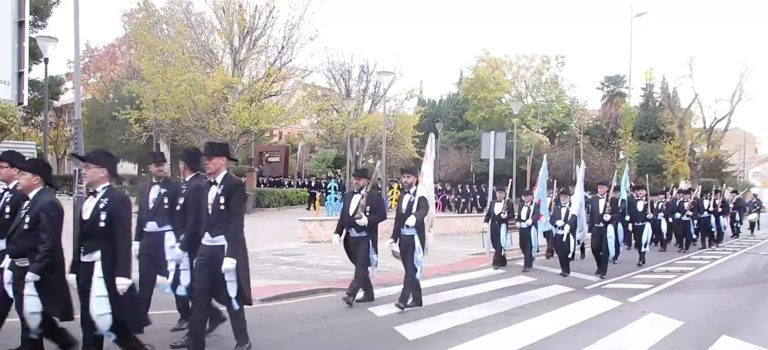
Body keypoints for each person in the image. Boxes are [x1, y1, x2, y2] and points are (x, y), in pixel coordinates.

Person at [70, 149, 149, 349]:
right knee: (89, 320)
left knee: (109, 320)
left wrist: (123, 273)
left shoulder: (117, 199)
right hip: (86, 268)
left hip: (104, 268)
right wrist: (74, 267)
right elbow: (81, 237)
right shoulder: (88, 200)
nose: (84, 172)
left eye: (88, 167)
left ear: (103, 172)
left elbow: (123, 238)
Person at [6, 158, 77, 349]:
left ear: (36, 179)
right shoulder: (30, 201)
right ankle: (59, 342)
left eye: (23, 174)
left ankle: (65, 342)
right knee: (29, 316)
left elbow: (49, 242)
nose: (18, 178)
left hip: (35, 272)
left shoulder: (47, 203)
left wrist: (34, 270)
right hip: (20, 268)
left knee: (33, 316)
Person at [188, 142, 252, 350]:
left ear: (223, 160)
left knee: (232, 296)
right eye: (205, 159)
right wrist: (187, 247)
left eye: (211, 158)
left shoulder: (234, 184)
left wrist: (232, 254)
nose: (206, 162)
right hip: (206, 248)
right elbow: (198, 220)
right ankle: (195, 344)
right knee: (199, 297)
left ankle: (243, 340)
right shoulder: (204, 186)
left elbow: (236, 222)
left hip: (225, 249)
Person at [169, 148, 227, 349]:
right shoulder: (188, 185)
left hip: (193, 247)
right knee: (190, 288)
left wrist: (183, 246)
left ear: (183, 164)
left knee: (191, 288)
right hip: (184, 244)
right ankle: (211, 317)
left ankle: (196, 331)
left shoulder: (197, 186)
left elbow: (194, 221)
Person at [134, 151, 181, 326]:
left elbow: (179, 216)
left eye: (163, 165)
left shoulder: (174, 186)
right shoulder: (144, 187)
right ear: (150, 168)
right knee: (145, 281)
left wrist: (179, 241)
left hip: (166, 239)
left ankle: (187, 315)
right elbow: (141, 215)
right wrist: (136, 240)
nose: (161, 168)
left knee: (175, 280)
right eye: (157, 165)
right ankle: (139, 317)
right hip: (148, 239)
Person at [332, 168, 386, 306]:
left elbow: (382, 215)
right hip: (351, 239)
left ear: (366, 181)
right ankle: (369, 293)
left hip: (365, 238)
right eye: (354, 179)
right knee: (359, 266)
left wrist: (368, 220)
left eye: (359, 179)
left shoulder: (374, 196)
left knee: (361, 267)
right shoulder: (349, 195)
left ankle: (351, 294)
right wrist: (337, 232)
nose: (356, 181)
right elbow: (343, 216)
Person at [388, 166, 429, 311]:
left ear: (415, 179)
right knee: (409, 269)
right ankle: (417, 299)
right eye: (403, 177)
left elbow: (424, 210)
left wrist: (415, 217)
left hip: (415, 238)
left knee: (411, 270)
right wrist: (393, 237)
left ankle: (403, 300)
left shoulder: (421, 195)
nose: (405, 180)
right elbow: (398, 219)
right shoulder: (402, 195)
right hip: (404, 238)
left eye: (408, 177)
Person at [0, 150, 26, 337]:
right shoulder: (6, 193)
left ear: (16, 170)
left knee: (22, 305)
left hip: (12, 257)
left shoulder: (19, 195)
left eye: (3, 167)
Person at [588, 181, 618, 279]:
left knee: (605, 250)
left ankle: (603, 271)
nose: (600, 189)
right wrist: (590, 229)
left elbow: (618, 214)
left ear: (607, 189)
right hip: (596, 227)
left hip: (606, 228)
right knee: (594, 248)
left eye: (602, 187)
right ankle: (599, 265)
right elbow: (591, 214)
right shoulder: (593, 199)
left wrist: (610, 216)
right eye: (599, 187)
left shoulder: (612, 200)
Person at [483, 187, 515, 269]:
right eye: (498, 193)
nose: (499, 194)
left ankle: (496, 263)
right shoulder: (492, 203)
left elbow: (512, 215)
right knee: (494, 243)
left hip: (502, 226)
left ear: (504, 194)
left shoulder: (508, 203)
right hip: (493, 226)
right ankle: (503, 260)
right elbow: (489, 214)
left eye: (501, 193)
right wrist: (486, 222)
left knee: (500, 243)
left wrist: (506, 215)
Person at [550, 188, 577, 277]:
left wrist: (568, 225)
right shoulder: (556, 207)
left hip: (568, 233)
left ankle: (566, 269)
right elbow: (551, 219)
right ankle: (563, 269)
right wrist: (555, 222)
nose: (563, 198)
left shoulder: (572, 208)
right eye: (562, 196)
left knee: (566, 252)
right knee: (559, 252)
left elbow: (574, 218)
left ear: (569, 197)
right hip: (558, 233)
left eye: (565, 196)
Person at [628, 185, 652, 267]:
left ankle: (641, 258)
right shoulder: (634, 201)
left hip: (645, 225)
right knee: (638, 242)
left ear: (645, 192)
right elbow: (631, 213)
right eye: (639, 191)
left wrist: (650, 216)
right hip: (636, 225)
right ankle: (641, 256)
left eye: (642, 190)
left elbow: (653, 212)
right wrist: (630, 222)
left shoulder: (649, 202)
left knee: (643, 241)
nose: (640, 192)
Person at [516, 189, 537, 273]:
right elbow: (519, 216)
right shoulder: (521, 205)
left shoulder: (535, 205)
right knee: (522, 245)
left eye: (527, 196)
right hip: (522, 228)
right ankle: (530, 257)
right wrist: (517, 222)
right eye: (524, 196)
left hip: (530, 228)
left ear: (531, 197)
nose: (525, 198)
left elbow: (537, 214)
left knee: (528, 246)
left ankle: (526, 265)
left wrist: (532, 220)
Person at [675, 189, 696, 253]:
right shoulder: (680, 202)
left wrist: (691, 213)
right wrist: (677, 214)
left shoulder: (693, 202)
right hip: (681, 220)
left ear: (690, 195)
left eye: (687, 195)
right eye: (685, 195)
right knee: (680, 234)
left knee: (688, 235)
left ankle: (687, 248)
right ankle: (681, 247)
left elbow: (695, 211)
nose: (686, 196)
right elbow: (678, 210)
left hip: (688, 220)